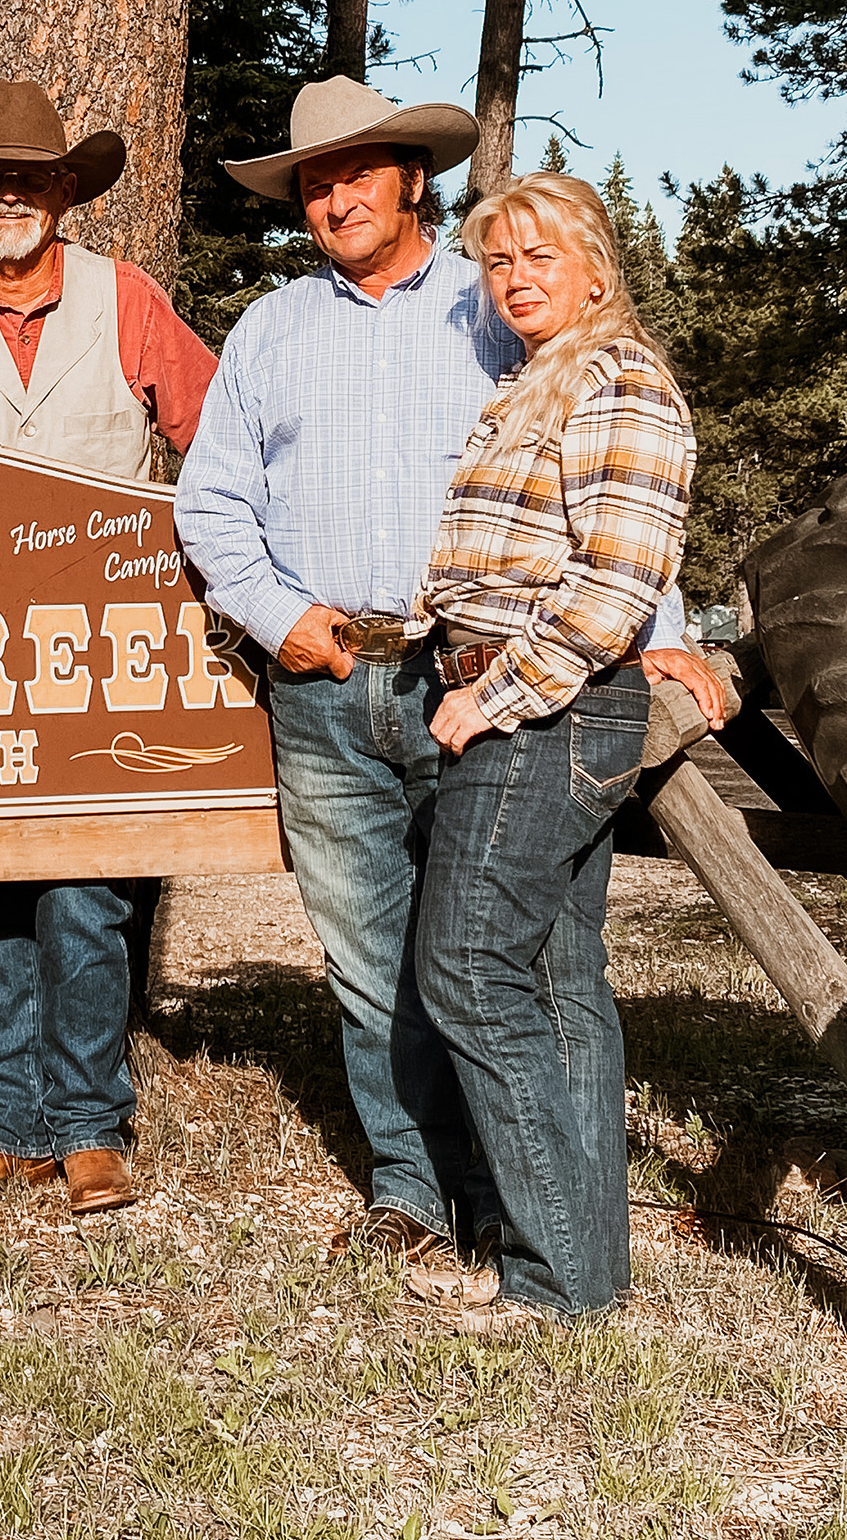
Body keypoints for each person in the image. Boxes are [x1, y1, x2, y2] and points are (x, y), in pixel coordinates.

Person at [174, 77, 721, 1277]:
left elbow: (604, 492)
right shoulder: (270, 330)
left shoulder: (492, 308)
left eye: (358, 169)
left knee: (505, 954)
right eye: (314, 179)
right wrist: (278, 616)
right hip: (318, 681)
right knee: (371, 957)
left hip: (471, 679)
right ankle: (412, 1189)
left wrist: (661, 621)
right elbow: (209, 501)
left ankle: (524, 1208)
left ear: (408, 178)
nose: (335, 193)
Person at [0, 79, 219, 1217]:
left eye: (29, 178)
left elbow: (211, 432)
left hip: (102, 637)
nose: (8, 195)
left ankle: (87, 1123)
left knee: (87, 885)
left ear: (63, 195)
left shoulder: (123, 299)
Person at [408, 173, 694, 1329]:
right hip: (544, 701)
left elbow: (613, 581)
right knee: (556, 981)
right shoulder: (542, 378)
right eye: (496, 261)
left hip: (546, 707)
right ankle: (586, 1270)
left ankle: (547, 1272)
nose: (515, 278)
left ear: (592, 264)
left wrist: (493, 696)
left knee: (467, 967)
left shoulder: (618, 381)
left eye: (537, 256)